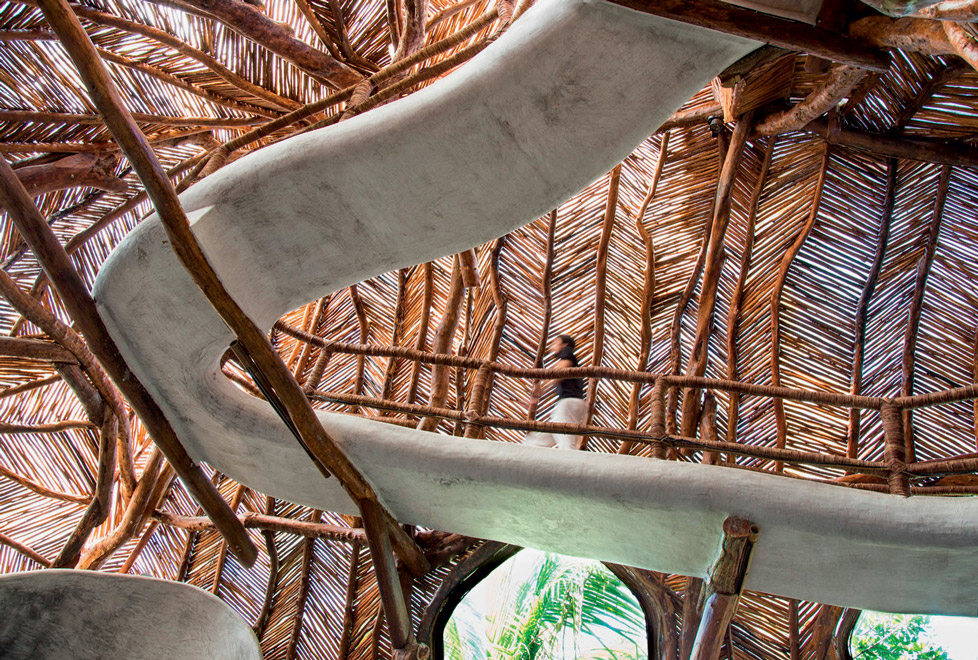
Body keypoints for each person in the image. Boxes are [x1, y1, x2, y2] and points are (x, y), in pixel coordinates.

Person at [524, 334, 586, 450]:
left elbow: (561, 371)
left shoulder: (567, 353)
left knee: (567, 441)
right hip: (571, 403)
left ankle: (571, 459)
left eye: (555, 343)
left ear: (565, 344)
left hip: (569, 403)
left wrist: (543, 387)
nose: (552, 346)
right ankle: (527, 449)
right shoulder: (566, 358)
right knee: (537, 440)